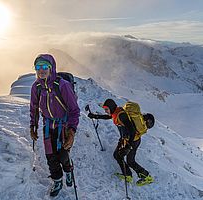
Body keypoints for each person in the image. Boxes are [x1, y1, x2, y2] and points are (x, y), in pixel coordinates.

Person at [30, 54, 80, 196]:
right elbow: (34, 107)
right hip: (47, 126)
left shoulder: (62, 85)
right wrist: (32, 125)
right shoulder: (37, 87)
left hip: (63, 126)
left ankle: (68, 170)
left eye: (45, 66)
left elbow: (74, 110)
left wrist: (72, 132)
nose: (41, 70)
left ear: (51, 68)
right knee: (51, 156)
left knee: (63, 155)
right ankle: (57, 180)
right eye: (38, 67)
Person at [87, 99, 154, 186]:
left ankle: (146, 177)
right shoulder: (116, 111)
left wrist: (128, 147)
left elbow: (132, 131)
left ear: (111, 107)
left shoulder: (122, 115)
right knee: (118, 155)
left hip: (133, 141)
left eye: (106, 109)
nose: (105, 111)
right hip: (126, 139)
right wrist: (95, 116)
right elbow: (110, 116)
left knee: (129, 161)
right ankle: (128, 175)